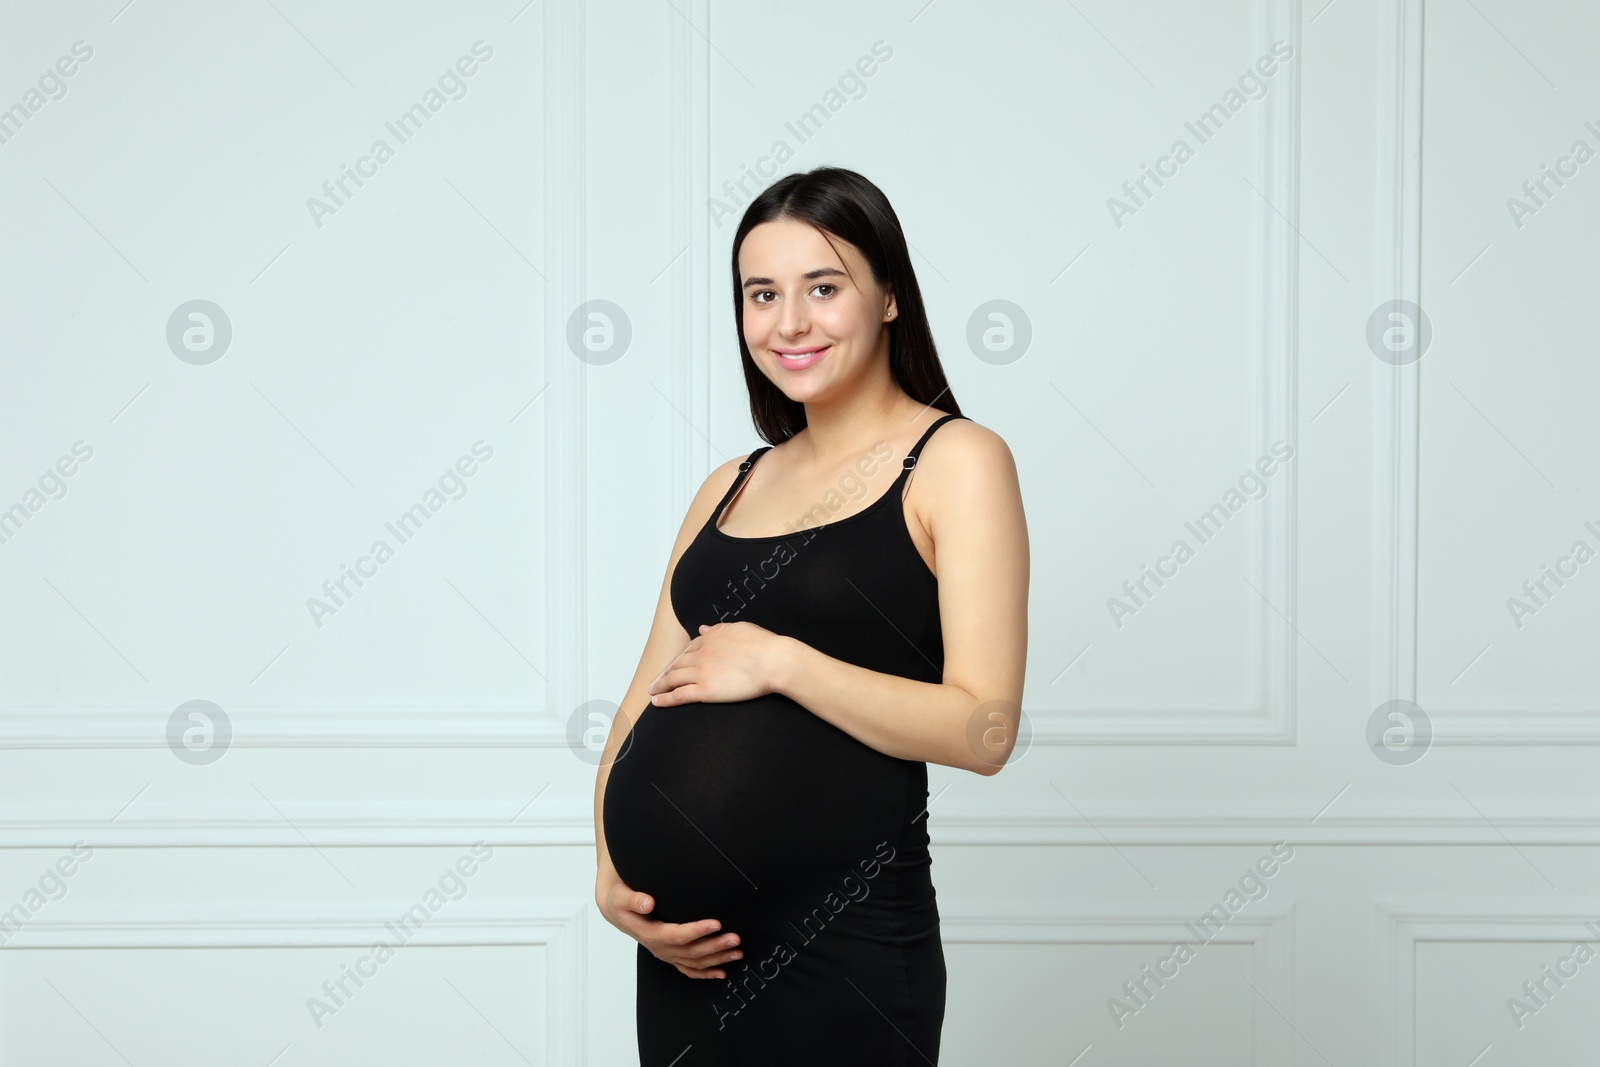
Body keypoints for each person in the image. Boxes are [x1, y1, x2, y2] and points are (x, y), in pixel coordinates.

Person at [593, 166, 1029, 1066]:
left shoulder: (955, 461)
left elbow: (984, 729)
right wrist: (610, 871)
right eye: (762, 294)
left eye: (822, 288)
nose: (788, 322)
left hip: (843, 955)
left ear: (891, 298)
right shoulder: (731, 483)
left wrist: (783, 661)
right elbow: (641, 700)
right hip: (687, 966)